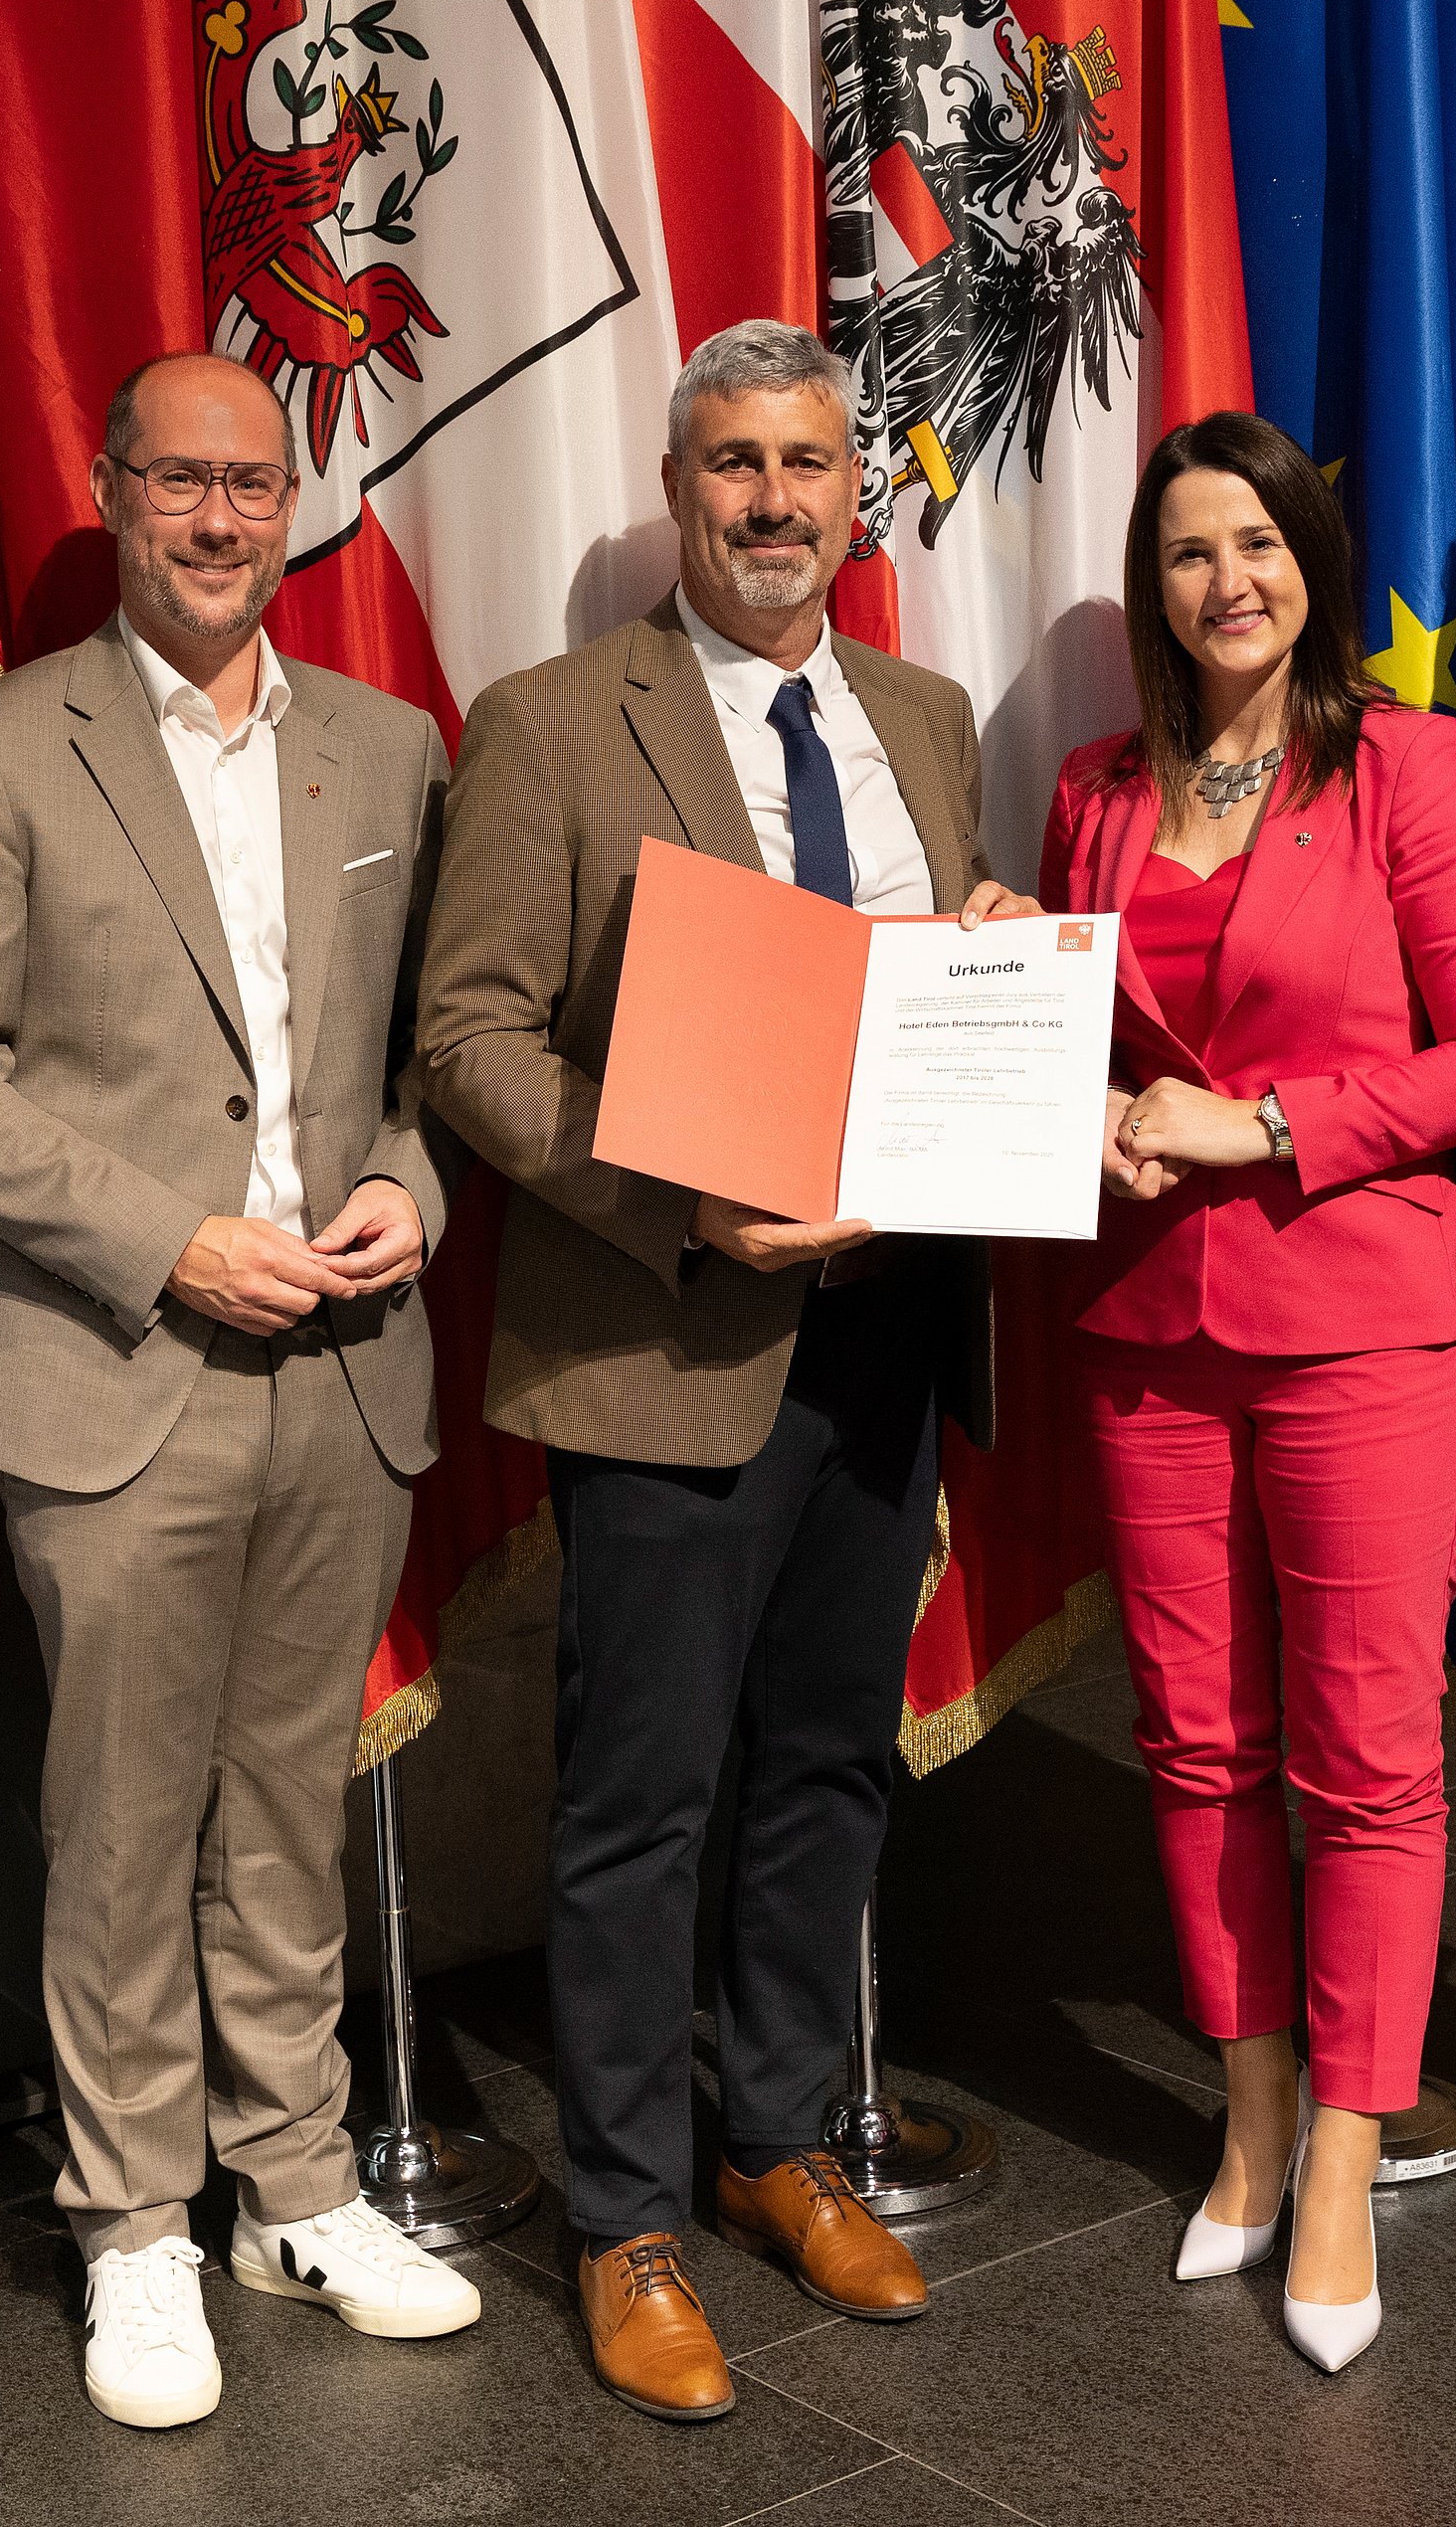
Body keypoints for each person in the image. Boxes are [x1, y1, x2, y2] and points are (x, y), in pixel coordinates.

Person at [420, 318, 1028, 2423]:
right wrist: (676, 1202)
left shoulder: (925, 717)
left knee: (828, 1761)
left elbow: (919, 987)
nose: (774, 501)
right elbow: (468, 1034)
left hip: (891, 1326)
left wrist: (985, 957)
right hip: (669, 1329)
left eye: (806, 463)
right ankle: (621, 2215)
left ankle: (771, 2139)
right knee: (640, 1797)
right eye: (732, 465)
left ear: (855, 491)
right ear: (676, 491)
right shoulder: (550, 723)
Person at [0, 351, 477, 2432]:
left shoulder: (388, 747)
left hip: (345, 1364)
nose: (218, 519)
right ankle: (133, 2221)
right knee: (122, 1821)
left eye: (251, 483)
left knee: (288, 1797)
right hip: (117, 1358)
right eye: (178, 481)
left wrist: (408, 1187)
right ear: (111, 492)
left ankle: (293, 2182)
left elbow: (440, 1049)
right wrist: (170, 1238)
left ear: (291, 505)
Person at [1038, 413, 1456, 2373]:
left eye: (1256, 543)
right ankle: (1248, 2113)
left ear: (1310, 565)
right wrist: (1030, 1004)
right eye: (1187, 551)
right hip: (1147, 1329)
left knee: (1363, 1756)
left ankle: (1346, 2144)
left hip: (1356, 1328)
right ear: (1149, 585)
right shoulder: (1095, 791)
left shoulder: (1406, 766)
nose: (1225, 580)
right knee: (1193, 1741)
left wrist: (1260, 1122)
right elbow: (1088, 1048)